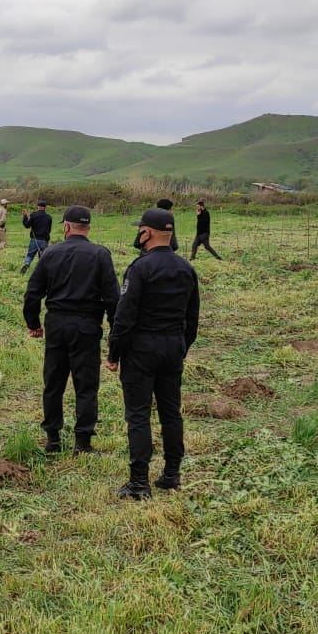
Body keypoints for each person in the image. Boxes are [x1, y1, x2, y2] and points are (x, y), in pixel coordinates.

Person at [107, 208, 199, 500]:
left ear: (147, 233)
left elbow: (124, 317)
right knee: (171, 412)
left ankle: (138, 483)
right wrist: (182, 347)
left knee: (138, 415)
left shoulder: (140, 268)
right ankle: (172, 474)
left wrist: (114, 353)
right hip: (173, 347)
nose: (138, 234)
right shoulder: (186, 268)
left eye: (140, 229)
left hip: (141, 349)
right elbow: (192, 317)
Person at [23, 205, 120, 454]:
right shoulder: (100, 254)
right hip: (87, 325)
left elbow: (33, 292)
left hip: (56, 323)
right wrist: (114, 331)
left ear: (66, 226)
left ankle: (53, 439)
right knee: (86, 385)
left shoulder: (51, 253)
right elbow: (113, 298)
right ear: (88, 227)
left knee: (53, 381)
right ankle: (83, 442)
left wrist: (33, 323)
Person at [20, 201, 53, 274]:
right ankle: (41, 270)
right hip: (44, 240)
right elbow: (49, 230)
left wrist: (25, 217)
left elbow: (27, 225)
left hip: (34, 239)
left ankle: (27, 264)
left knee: (30, 255)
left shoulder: (33, 215)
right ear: (45, 207)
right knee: (43, 257)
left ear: (37, 207)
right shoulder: (49, 217)